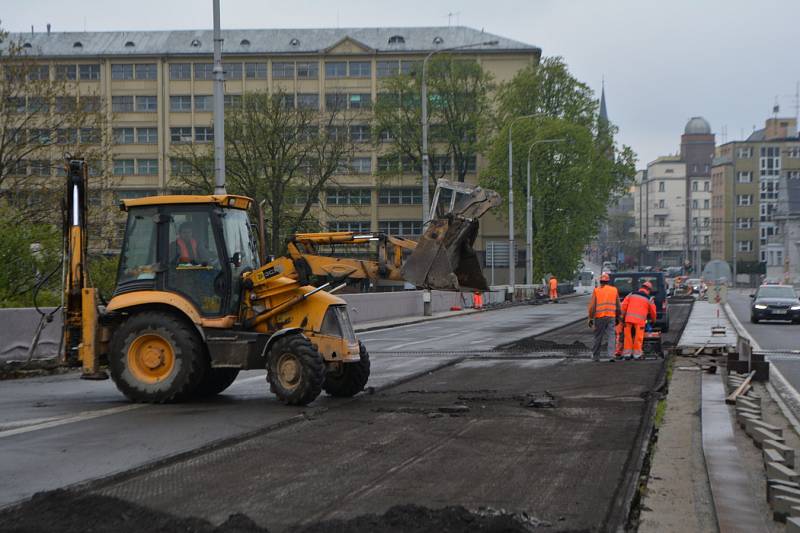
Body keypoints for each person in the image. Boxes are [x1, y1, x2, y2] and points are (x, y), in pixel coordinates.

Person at [587, 273, 621, 362]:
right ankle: (611, 356)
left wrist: (590, 317)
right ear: (608, 281)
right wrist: (618, 316)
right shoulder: (614, 290)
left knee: (598, 336)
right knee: (611, 336)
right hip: (611, 316)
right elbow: (618, 305)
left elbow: (592, 306)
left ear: (600, 281)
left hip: (600, 317)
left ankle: (596, 356)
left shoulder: (597, 290)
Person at [620, 281, 657, 360]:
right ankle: (637, 355)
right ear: (649, 290)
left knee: (627, 337)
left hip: (628, 319)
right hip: (640, 321)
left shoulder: (631, 294)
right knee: (638, 337)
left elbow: (623, 306)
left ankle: (627, 354)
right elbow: (653, 312)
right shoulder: (649, 299)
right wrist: (654, 321)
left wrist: (621, 317)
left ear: (642, 287)